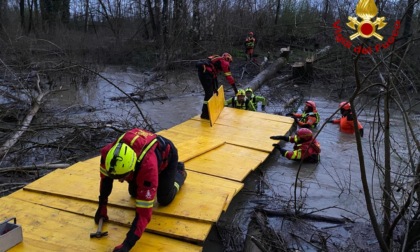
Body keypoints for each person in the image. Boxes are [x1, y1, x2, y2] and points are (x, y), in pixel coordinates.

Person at [94, 128, 187, 252]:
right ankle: (158, 180)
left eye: (122, 177)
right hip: (146, 154)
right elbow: (105, 180)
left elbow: (144, 215)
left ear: (132, 167)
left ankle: (179, 172)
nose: (120, 181)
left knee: (164, 199)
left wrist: (126, 245)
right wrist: (102, 206)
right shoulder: (108, 155)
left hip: (167, 157)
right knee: (133, 193)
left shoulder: (148, 168)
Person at [196, 53, 239, 119]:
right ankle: (205, 114)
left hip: (203, 73)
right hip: (206, 74)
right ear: (228, 60)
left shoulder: (217, 60)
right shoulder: (225, 63)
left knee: (209, 93)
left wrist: (215, 88)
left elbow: (214, 76)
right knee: (209, 94)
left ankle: (205, 112)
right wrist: (235, 89)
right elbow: (229, 77)